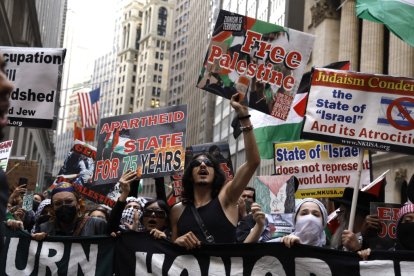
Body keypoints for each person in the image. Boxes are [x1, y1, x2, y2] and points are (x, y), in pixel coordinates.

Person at [170, 93, 260, 249]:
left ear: (216, 173)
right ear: (190, 175)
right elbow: (169, 253)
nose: (203, 165)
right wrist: (177, 243)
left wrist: (244, 117)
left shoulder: (227, 198)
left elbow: (253, 162)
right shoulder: (177, 211)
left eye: (208, 163)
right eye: (197, 163)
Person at [32, 182, 107, 239]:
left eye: (69, 202)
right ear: (52, 208)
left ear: (78, 204)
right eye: (58, 203)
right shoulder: (44, 228)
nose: (64, 206)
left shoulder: (97, 225)